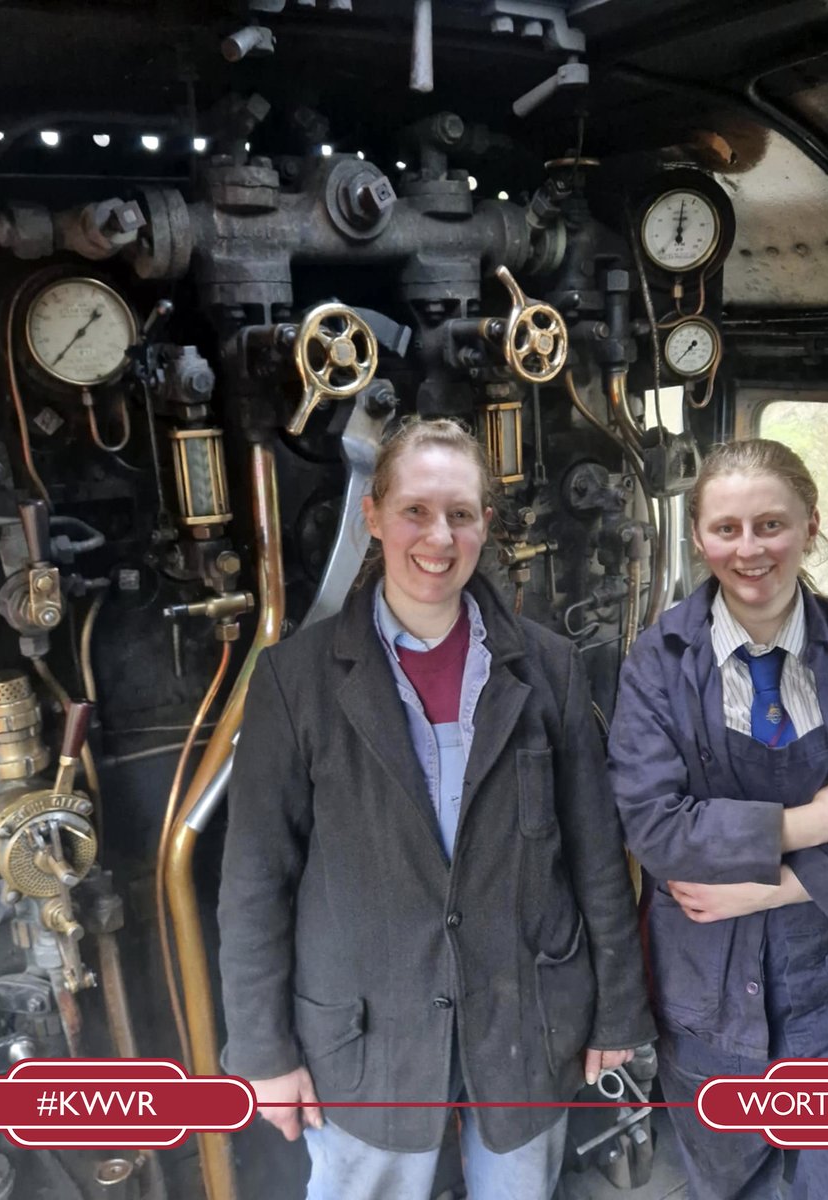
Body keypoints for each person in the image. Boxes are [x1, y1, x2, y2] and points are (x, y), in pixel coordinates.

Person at [218, 417, 654, 1200]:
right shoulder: (296, 679)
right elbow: (255, 882)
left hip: (524, 1021)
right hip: (365, 1035)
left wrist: (619, 1010)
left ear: (487, 525)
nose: (438, 536)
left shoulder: (547, 664)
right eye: (416, 511)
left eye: (460, 513)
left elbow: (596, 852)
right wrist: (263, 1053)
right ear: (374, 518)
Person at [608, 438, 828, 1200]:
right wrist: (813, 823)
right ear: (697, 537)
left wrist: (771, 888)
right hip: (706, 995)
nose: (749, 549)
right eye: (726, 529)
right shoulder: (656, 663)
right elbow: (657, 828)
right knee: (728, 1186)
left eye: (771, 525)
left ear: (810, 525)